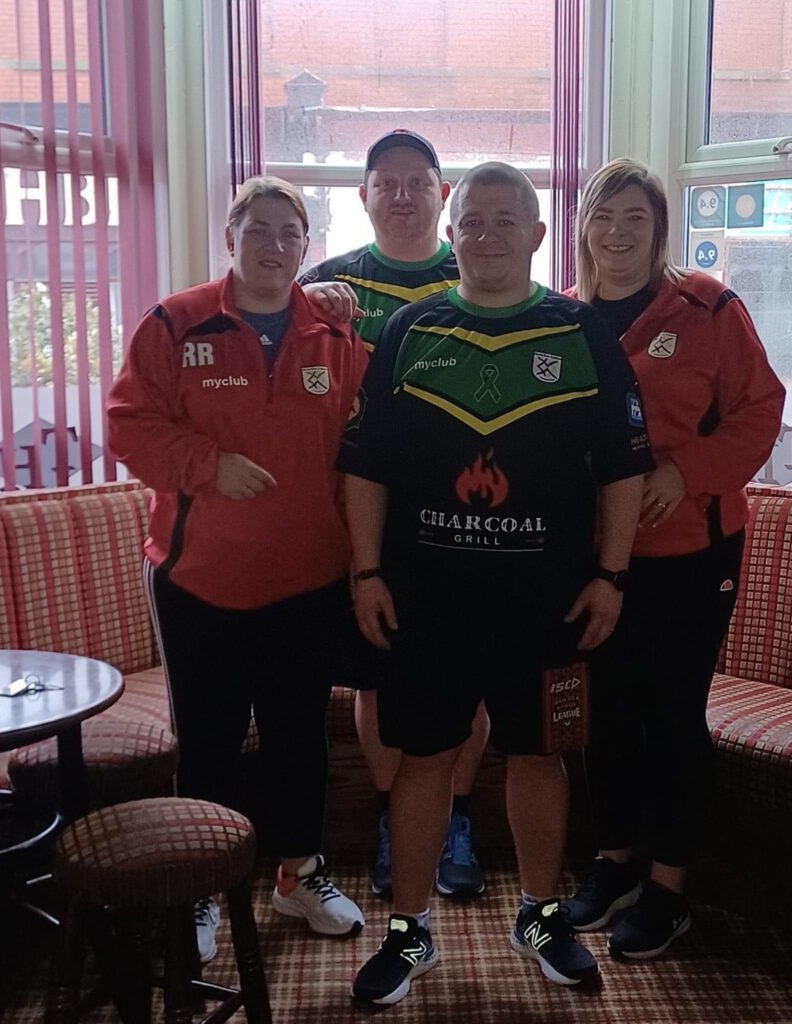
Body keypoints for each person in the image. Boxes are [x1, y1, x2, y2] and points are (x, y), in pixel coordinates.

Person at [340, 161, 653, 1006]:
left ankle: (541, 915)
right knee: (423, 759)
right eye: (471, 221)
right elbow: (363, 465)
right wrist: (366, 572)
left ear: (540, 235)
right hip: (423, 599)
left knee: (540, 755)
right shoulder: (410, 329)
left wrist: (611, 577)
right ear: (452, 233)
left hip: (546, 604)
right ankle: (409, 933)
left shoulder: (582, 333)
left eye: (505, 220)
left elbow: (626, 467)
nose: (485, 235)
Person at [106, 176, 367, 963]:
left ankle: (298, 876)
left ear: (307, 247)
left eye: (292, 233)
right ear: (231, 237)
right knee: (211, 741)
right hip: (199, 584)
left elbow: (362, 444)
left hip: (307, 582)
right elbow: (127, 427)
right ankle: (202, 892)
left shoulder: (333, 331)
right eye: (260, 229)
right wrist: (207, 465)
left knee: (298, 740)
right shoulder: (174, 324)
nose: (275, 246)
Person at [562, 158, 784, 959]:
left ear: (660, 231)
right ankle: (613, 858)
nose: (617, 233)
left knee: (672, 717)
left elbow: (762, 413)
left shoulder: (709, 308)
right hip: (594, 557)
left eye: (636, 219)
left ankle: (668, 886)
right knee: (606, 714)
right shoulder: (562, 316)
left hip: (692, 550)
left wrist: (685, 473)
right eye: (603, 217)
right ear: (584, 227)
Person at [300, 130, 490, 900]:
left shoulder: (478, 274)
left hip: (467, 519)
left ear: (444, 196)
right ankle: (393, 818)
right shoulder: (324, 284)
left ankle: (459, 822)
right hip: (365, 524)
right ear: (365, 196)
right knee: (378, 681)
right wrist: (297, 306)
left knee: (469, 680)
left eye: (421, 182)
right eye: (390, 183)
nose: (405, 195)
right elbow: (254, 328)